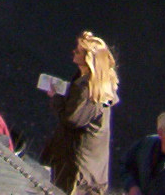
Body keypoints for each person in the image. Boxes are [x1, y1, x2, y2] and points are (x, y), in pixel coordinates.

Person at [43, 30, 120, 195]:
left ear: (88, 58)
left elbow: (71, 119)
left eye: (78, 51)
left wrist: (56, 97)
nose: (73, 52)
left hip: (78, 169)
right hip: (92, 168)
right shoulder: (99, 85)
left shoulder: (87, 89)